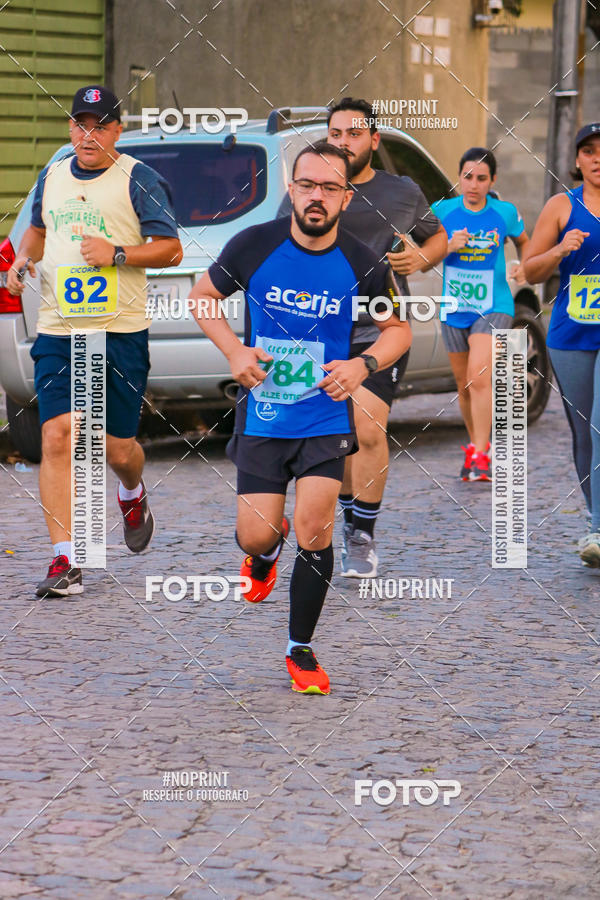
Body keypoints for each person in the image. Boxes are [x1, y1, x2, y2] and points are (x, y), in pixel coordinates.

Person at [189, 141, 411, 694]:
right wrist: (235, 354)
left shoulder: (362, 260)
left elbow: (400, 331)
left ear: (345, 195)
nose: (317, 197)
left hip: (323, 417)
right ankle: (266, 549)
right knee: (254, 535)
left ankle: (300, 649)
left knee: (315, 528)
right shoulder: (254, 244)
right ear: (292, 189)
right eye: (307, 185)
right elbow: (202, 298)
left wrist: (363, 366)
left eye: (329, 188)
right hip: (264, 416)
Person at [7, 85, 182, 597]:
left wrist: (117, 254)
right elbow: (36, 232)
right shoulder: (53, 174)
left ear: (116, 131)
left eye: (100, 125)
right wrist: (23, 260)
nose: (88, 134)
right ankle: (66, 561)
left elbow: (170, 249)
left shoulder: (139, 179)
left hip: (120, 330)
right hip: (61, 327)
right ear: (70, 129)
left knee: (115, 446)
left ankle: (132, 491)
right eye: (80, 124)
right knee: (58, 433)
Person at [278, 98, 447, 577]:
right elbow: (280, 240)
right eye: (336, 133)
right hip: (316, 327)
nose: (343, 142)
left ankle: (362, 534)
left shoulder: (402, 191)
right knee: (337, 438)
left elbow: (439, 237)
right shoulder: (310, 184)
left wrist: (420, 259)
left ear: (374, 140)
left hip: (380, 323)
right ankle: (340, 521)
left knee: (369, 428)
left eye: (354, 133)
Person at [523, 123, 600, 565]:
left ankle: (597, 529)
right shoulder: (560, 206)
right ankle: (596, 516)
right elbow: (530, 272)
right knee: (584, 433)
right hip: (570, 333)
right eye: (588, 151)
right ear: (576, 161)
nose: (596, 158)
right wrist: (560, 251)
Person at [432, 147, 529, 481]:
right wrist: (447, 246)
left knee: (478, 376)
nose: (473, 185)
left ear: (493, 181)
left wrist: (523, 266)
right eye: (467, 177)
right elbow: (419, 251)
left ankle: (481, 454)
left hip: (494, 304)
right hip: (453, 307)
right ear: (459, 178)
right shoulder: (441, 211)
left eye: (481, 178)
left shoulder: (504, 213)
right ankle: (476, 447)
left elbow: (525, 241)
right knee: (463, 384)